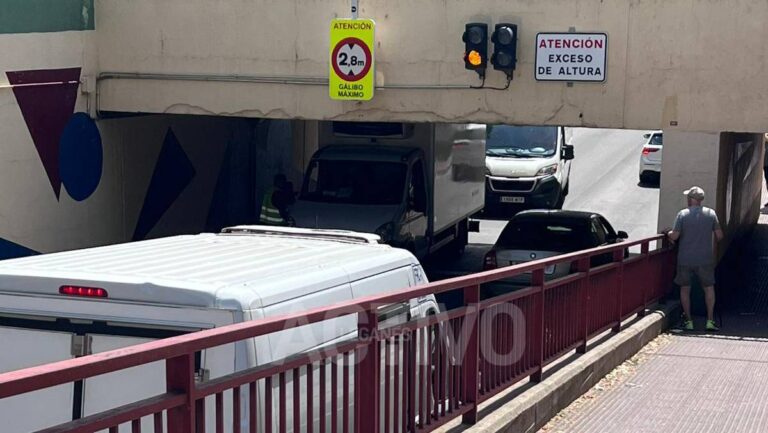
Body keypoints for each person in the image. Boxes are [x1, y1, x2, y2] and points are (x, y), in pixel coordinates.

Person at [666, 186, 724, 331]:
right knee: (709, 288)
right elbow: (720, 236)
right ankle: (710, 320)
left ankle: (688, 321)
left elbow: (675, 236)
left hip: (685, 259)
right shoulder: (711, 214)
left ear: (691, 199)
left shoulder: (682, 215)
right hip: (705, 259)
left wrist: (667, 233)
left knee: (685, 289)